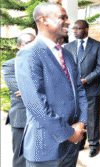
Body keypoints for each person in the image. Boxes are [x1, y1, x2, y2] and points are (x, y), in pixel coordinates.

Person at [15, 3, 88, 166]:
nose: (68, 23)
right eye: (63, 17)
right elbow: (37, 105)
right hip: (45, 148)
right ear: (44, 20)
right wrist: (69, 133)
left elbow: (79, 92)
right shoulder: (29, 54)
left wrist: (81, 123)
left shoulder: (67, 55)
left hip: (72, 144)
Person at [65, 20, 100, 157]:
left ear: (86, 29)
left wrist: (86, 79)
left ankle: (94, 144)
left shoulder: (97, 45)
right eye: (73, 29)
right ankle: (80, 142)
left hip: (91, 88)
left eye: (78, 28)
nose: (75, 31)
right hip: (74, 91)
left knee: (92, 118)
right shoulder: (68, 47)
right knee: (77, 117)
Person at [2, 33, 35, 167]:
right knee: (20, 157)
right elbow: (18, 89)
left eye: (34, 42)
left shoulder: (42, 64)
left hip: (42, 116)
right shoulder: (9, 66)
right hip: (21, 117)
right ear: (18, 46)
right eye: (27, 43)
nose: (31, 46)